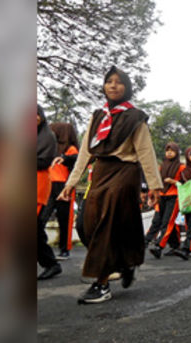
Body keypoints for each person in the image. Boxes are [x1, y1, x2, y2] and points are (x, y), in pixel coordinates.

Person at [58, 66, 163, 304]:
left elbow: (146, 152)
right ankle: (125, 263)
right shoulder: (98, 116)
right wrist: (70, 183)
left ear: (127, 87)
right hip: (101, 172)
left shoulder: (135, 117)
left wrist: (154, 187)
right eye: (109, 81)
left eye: (119, 82)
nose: (113, 85)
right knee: (86, 224)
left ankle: (102, 283)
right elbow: (85, 153)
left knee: (106, 225)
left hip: (125, 174)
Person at [38, 122, 79, 260]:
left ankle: (64, 249)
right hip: (50, 185)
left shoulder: (70, 149)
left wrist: (66, 158)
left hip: (64, 185)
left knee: (64, 220)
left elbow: (76, 159)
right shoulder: (52, 148)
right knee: (42, 217)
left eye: (55, 130)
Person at [146, 142, 188, 260]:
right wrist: (151, 196)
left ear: (176, 152)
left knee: (167, 222)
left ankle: (159, 246)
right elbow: (156, 182)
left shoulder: (182, 167)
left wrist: (174, 182)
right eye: (167, 150)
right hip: (161, 195)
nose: (169, 152)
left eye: (172, 150)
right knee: (157, 220)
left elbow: (186, 184)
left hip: (174, 196)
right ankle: (175, 245)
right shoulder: (161, 166)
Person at [37, 105, 62, 280]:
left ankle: (51, 263)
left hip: (38, 183)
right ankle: (51, 264)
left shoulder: (48, 136)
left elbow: (44, 161)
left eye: (36, 115)